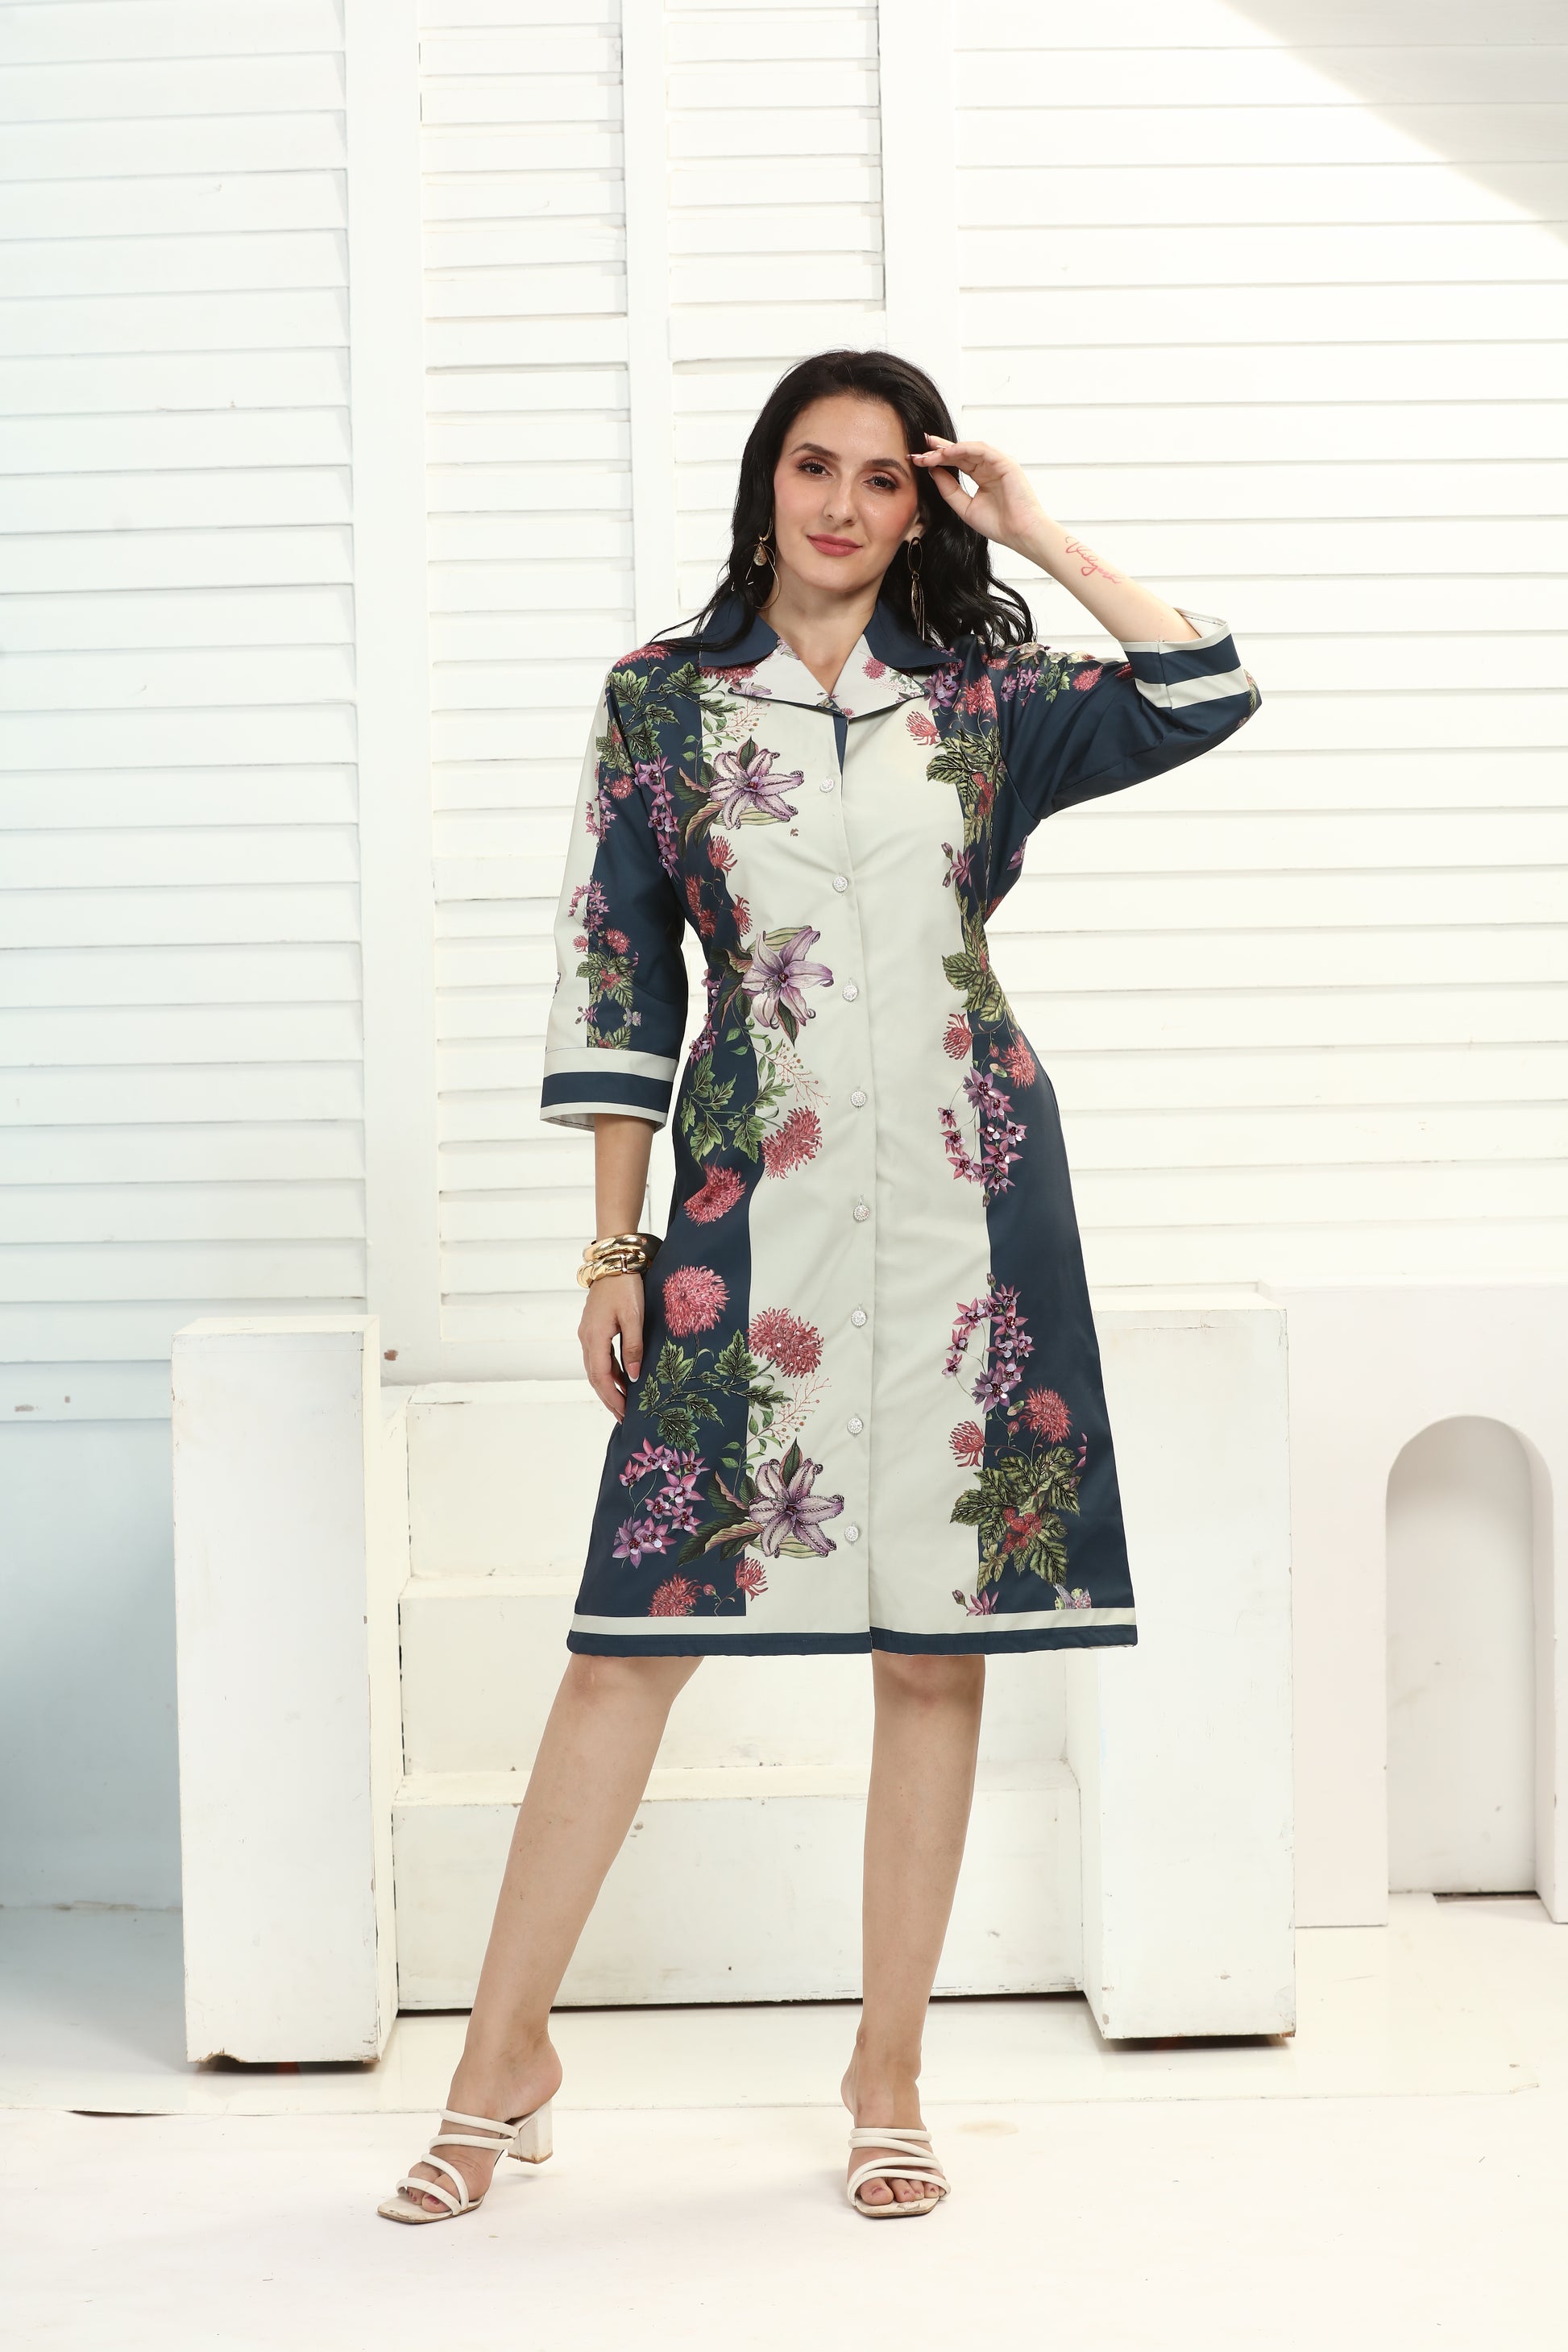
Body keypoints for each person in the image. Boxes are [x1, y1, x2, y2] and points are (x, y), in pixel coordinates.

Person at [379, 348, 1261, 2226]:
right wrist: (615, 1245)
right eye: (814, 465)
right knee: (628, 1642)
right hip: (741, 1223)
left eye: (883, 476)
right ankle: (497, 2061)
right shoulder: (662, 702)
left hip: (970, 1213)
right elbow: (620, 974)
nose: (845, 504)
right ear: (763, 483)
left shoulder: (985, 699)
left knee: (933, 1644)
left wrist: (1036, 530)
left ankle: (887, 2071)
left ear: (920, 502)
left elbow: (1202, 686)